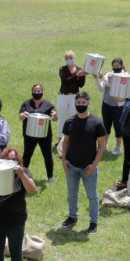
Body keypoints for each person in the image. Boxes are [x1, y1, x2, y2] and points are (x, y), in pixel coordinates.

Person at [61, 92, 106, 234]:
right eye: (78, 102)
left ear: (88, 103)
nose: (81, 105)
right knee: (71, 194)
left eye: (83, 103)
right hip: (71, 165)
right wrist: (64, 160)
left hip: (88, 167)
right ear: (75, 103)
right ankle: (72, 217)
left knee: (92, 195)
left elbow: (102, 145)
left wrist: (94, 164)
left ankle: (93, 222)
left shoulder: (96, 122)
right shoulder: (69, 122)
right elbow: (66, 142)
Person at [19, 83, 58, 183]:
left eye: (39, 91)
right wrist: (24, 114)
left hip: (44, 135)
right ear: (32, 92)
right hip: (29, 134)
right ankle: (22, 175)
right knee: (27, 155)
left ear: (42, 92)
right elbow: (21, 116)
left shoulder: (48, 105)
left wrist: (54, 115)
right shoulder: (26, 103)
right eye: (35, 91)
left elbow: (54, 118)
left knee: (47, 155)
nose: (37, 93)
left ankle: (50, 177)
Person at [94, 58, 126, 155]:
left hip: (118, 106)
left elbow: (115, 88)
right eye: (114, 66)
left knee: (118, 126)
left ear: (121, 66)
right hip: (106, 105)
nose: (116, 67)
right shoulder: (109, 74)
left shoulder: (124, 77)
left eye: (118, 66)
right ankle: (104, 145)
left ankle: (118, 147)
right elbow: (101, 89)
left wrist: (103, 78)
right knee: (106, 125)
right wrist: (96, 78)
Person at [57, 50, 87, 144]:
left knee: (74, 118)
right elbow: (65, 81)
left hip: (74, 96)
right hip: (63, 96)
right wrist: (77, 75)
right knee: (62, 118)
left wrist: (83, 76)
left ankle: (72, 139)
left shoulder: (79, 69)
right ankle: (60, 139)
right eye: (67, 58)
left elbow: (81, 85)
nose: (69, 60)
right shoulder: (62, 69)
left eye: (71, 58)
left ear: (74, 58)